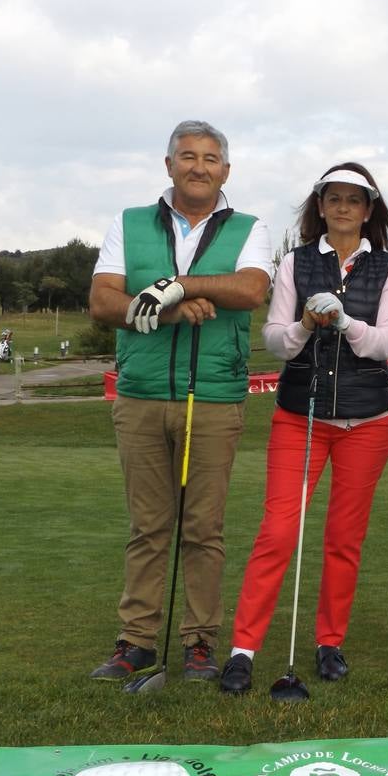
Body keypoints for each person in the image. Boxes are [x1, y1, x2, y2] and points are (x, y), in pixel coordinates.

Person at [87, 120, 272, 683]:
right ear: (168, 165)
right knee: (148, 526)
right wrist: (165, 310)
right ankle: (137, 641)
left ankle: (197, 643)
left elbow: (250, 290)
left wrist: (182, 285)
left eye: (211, 158)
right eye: (187, 156)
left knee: (203, 528)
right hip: (142, 393)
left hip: (213, 396)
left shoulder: (249, 226)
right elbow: (102, 299)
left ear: (226, 171)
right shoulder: (130, 222)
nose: (199, 166)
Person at [218, 164, 388, 694]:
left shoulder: (387, 269)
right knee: (277, 532)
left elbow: (385, 344)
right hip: (301, 417)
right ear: (319, 206)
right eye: (333, 199)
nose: (344, 207)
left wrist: (345, 321)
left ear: (369, 210)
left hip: (368, 422)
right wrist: (303, 323)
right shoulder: (296, 264)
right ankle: (243, 649)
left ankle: (329, 643)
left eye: (355, 200)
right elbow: (276, 341)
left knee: (344, 539)